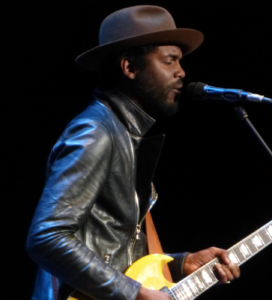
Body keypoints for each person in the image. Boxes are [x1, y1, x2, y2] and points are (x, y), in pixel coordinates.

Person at [27, 5, 240, 300]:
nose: (182, 72)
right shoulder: (95, 132)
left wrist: (179, 264)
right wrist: (135, 293)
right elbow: (45, 238)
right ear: (129, 67)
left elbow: (116, 248)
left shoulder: (123, 133)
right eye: (169, 61)